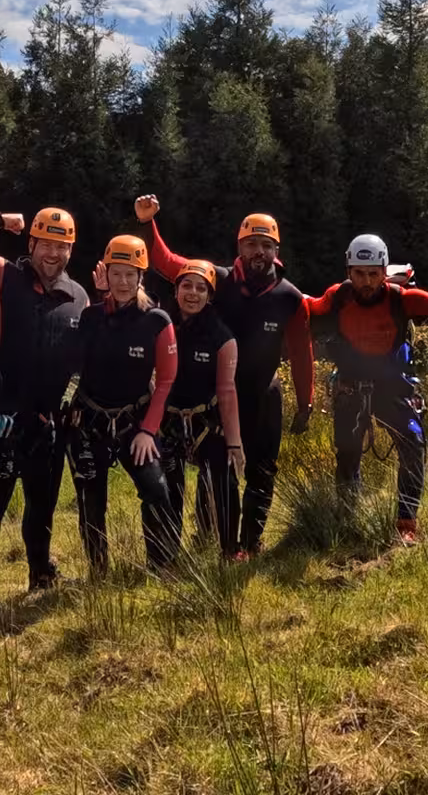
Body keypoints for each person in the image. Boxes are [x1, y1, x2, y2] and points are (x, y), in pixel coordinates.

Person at [136, 196, 315, 560]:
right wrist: (148, 222)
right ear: (240, 247)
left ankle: (248, 543)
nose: (258, 252)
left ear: (276, 250)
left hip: (263, 395)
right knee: (219, 471)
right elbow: (167, 263)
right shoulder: (215, 278)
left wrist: (306, 400)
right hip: (216, 397)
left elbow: (301, 352)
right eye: (251, 244)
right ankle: (213, 538)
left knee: (262, 471)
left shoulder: (290, 298)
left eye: (266, 245)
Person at [0, 208, 89, 615]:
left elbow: (82, 357)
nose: (53, 253)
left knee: (41, 505)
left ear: (70, 250)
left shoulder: (78, 296)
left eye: (62, 246)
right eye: (46, 243)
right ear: (32, 244)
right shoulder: (2, 274)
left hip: (46, 420)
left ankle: (41, 572)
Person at [304, 235, 428, 545]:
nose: (367, 281)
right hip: (351, 388)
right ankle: (348, 518)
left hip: (392, 388)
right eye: (359, 273)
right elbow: (309, 307)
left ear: (385, 272)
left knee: (413, 444)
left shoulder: (401, 298)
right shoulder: (338, 296)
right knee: (347, 454)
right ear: (349, 271)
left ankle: (406, 522)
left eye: (374, 273)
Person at [66, 235, 181, 578]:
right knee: (91, 499)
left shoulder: (157, 320)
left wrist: (148, 430)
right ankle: (99, 572)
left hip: (135, 421)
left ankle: (161, 565)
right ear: (107, 274)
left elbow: (165, 382)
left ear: (141, 276)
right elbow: (76, 362)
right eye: (116, 273)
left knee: (157, 490)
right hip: (90, 420)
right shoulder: (91, 317)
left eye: (131, 274)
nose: (123, 281)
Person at [157, 259, 245, 560]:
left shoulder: (221, 336)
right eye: (186, 286)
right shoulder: (161, 324)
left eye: (200, 288)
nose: (193, 293)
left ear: (210, 296)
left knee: (224, 484)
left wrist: (234, 443)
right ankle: (168, 556)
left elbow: (227, 391)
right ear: (176, 289)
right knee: (171, 490)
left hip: (208, 421)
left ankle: (229, 550)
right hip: (169, 421)